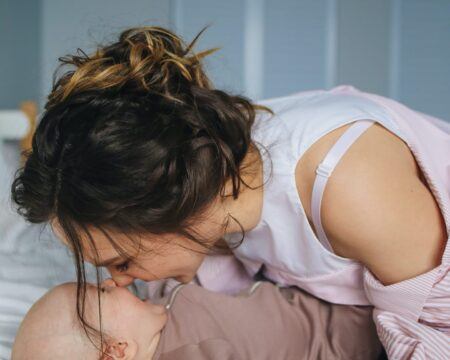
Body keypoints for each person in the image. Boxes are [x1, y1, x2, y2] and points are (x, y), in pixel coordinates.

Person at [11, 25, 450, 358]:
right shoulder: (212, 180)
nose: (120, 282)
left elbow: (438, 334)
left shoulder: (349, 186)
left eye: (122, 261)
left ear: (169, 207)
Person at [11, 279, 383, 360]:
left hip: (310, 294)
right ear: (117, 351)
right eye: (103, 292)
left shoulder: (153, 314)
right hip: (339, 332)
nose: (109, 281)